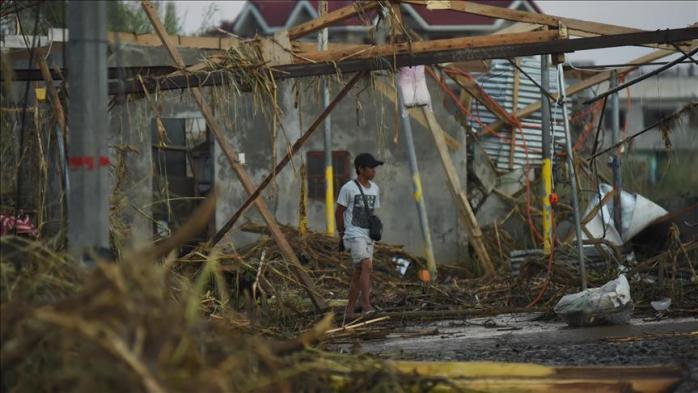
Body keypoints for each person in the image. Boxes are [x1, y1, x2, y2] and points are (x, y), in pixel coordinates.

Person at [335, 153, 383, 321]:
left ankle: (349, 311)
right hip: (353, 233)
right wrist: (341, 236)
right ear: (360, 169)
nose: (373, 171)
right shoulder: (348, 188)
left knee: (358, 272)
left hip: (368, 235)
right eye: (370, 168)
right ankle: (366, 305)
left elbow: (372, 212)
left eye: (374, 168)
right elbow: (339, 212)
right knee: (366, 266)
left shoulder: (375, 188)